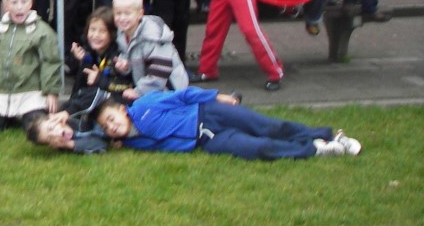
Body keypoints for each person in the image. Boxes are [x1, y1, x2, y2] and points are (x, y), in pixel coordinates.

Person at [92, 89, 362, 160]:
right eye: (106, 127)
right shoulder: (131, 142)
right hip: (208, 140)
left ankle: (330, 135)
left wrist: (216, 96)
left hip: (210, 113)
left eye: (111, 119)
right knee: (258, 148)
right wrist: (120, 141)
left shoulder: (144, 105)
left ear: (122, 110)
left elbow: (183, 94)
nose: (111, 126)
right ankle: (317, 149)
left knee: (270, 127)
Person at [0, 0, 60, 130]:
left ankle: (30, 112)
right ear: (5, 6)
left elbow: (51, 61)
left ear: (31, 4)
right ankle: (7, 116)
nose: (19, 7)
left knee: (32, 124)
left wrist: (51, 92)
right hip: (1, 90)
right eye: (14, 3)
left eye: (24, 2)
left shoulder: (41, 30)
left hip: (30, 91)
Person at [112, 0, 188, 99]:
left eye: (127, 13)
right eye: (118, 13)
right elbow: (130, 58)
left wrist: (138, 91)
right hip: (147, 88)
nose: (122, 18)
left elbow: (159, 72)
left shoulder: (153, 36)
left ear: (140, 14)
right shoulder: (122, 33)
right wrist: (124, 66)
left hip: (170, 89)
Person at [65, 7, 132, 115]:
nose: (96, 35)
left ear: (112, 34)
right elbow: (77, 77)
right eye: (92, 29)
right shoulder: (89, 50)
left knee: (94, 92)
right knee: (85, 68)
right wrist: (77, 59)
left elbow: (126, 87)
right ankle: (69, 110)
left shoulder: (118, 55)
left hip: (117, 104)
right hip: (94, 100)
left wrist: (99, 80)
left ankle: (69, 113)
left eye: (102, 31)